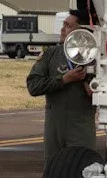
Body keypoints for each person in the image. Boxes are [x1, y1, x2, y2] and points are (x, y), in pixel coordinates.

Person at [25, 12, 96, 154]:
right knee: (54, 169)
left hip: (81, 126)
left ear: (82, 31)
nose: (63, 29)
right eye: (63, 25)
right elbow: (33, 86)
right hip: (55, 126)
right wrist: (63, 80)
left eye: (68, 26)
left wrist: (93, 90)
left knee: (81, 167)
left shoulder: (96, 58)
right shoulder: (51, 54)